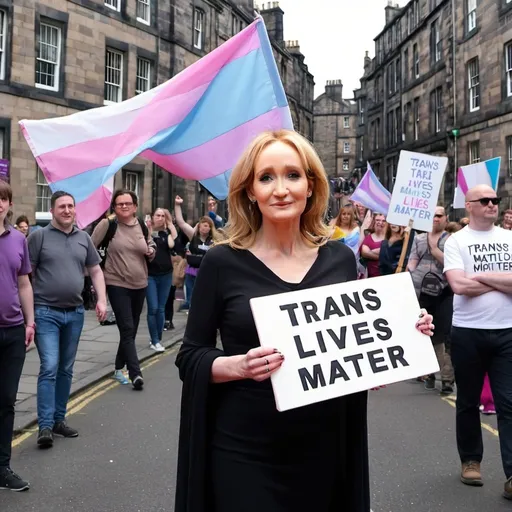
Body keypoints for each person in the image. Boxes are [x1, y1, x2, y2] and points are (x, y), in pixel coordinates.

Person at [174, 130, 434, 512]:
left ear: (311, 186)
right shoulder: (222, 261)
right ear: (250, 191)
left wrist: (400, 336)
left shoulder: (340, 261)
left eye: (293, 175)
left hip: (323, 449)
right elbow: (190, 356)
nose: (281, 189)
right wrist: (239, 366)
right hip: (243, 448)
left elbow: (351, 350)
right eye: (266, 177)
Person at [444, 185, 512, 497]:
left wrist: (480, 278)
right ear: (469, 206)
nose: (492, 205)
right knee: (468, 401)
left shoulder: (509, 238)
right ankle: (470, 460)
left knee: (508, 404)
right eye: (484, 201)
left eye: (495, 200)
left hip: (506, 331)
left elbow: (469, 282)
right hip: (468, 332)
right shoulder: (457, 241)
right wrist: (502, 282)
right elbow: (458, 286)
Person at [27, 191, 107, 449]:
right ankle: (46, 425)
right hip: (45, 311)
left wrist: (102, 300)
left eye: (71, 206)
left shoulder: (84, 238)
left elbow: (95, 269)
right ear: (52, 211)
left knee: (66, 368)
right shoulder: (38, 237)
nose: (67, 210)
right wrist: (26, 313)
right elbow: (25, 275)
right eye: (62, 206)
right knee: (49, 366)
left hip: (74, 313)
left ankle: (59, 420)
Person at [91, 190, 155, 389]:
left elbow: (150, 244)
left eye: (128, 203)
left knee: (131, 330)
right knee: (127, 329)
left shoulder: (142, 226)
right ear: (114, 207)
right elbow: (90, 247)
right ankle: (136, 373)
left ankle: (119, 368)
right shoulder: (108, 225)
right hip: (116, 283)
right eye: (120, 204)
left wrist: (151, 250)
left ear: (135, 206)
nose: (124, 206)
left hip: (140, 284)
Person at [0, 182, 34, 491]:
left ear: (9, 204)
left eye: (2, 198)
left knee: (7, 401)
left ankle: (2, 467)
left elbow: (23, 283)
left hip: (12, 330)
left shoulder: (18, 240)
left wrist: (30, 322)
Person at [407, 206, 454, 394]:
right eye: (432, 215)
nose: (435, 219)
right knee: (424, 334)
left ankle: (447, 379)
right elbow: (412, 259)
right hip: (422, 292)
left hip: (444, 292)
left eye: (439, 215)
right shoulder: (418, 238)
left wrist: (435, 251)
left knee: (442, 335)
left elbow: (453, 264)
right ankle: (428, 374)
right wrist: (410, 271)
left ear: (446, 218)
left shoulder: (451, 241)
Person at [174, 197, 218, 311]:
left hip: (207, 273)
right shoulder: (193, 235)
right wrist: (177, 205)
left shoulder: (214, 239)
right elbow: (181, 222)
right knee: (191, 300)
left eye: (208, 226)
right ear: (199, 226)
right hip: (192, 272)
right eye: (204, 225)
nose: (206, 228)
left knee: (206, 300)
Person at [146, 208, 178, 352]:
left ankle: (157, 339)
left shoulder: (166, 234)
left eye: (162, 216)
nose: (160, 218)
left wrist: (170, 223)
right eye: (157, 215)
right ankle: (154, 340)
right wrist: (148, 228)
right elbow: (145, 243)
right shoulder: (147, 232)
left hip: (166, 275)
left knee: (160, 308)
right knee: (152, 308)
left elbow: (173, 243)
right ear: (152, 217)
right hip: (150, 275)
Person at [361, 213, 387, 278]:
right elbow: (364, 253)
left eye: (383, 221)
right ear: (374, 221)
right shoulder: (368, 238)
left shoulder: (389, 239)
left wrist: (370, 252)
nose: (380, 222)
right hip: (369, 277)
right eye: (378, 220)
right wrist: (382, 255)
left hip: (385, 276)